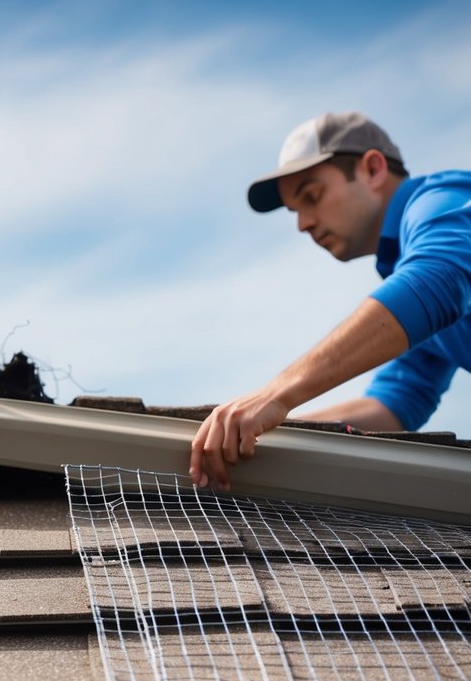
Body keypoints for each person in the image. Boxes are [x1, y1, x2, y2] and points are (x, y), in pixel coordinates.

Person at [189, 111, 471, 491]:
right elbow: (392, 407)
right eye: (295, 210)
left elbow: (440, 279)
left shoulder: (441, 200)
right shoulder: (418, 309)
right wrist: (260, 433)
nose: (303, 224)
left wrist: (276, 394)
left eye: (312, 196)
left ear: (372, 169)